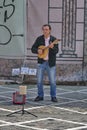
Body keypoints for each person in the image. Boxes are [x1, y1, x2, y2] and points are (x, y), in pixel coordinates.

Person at [31, 24, 59, 102]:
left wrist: (52, 47)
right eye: (44, 29)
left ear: (50, 30)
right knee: (39, 81)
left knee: (52, 81)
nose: (45, 31)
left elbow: (56, 51)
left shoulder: (54, 40)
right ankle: (40, 96)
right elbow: (33, 48)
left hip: (50, 63)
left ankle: (53, 96)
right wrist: (37, 50)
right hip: (41, 62)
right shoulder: (39, 39)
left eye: (46, 29)